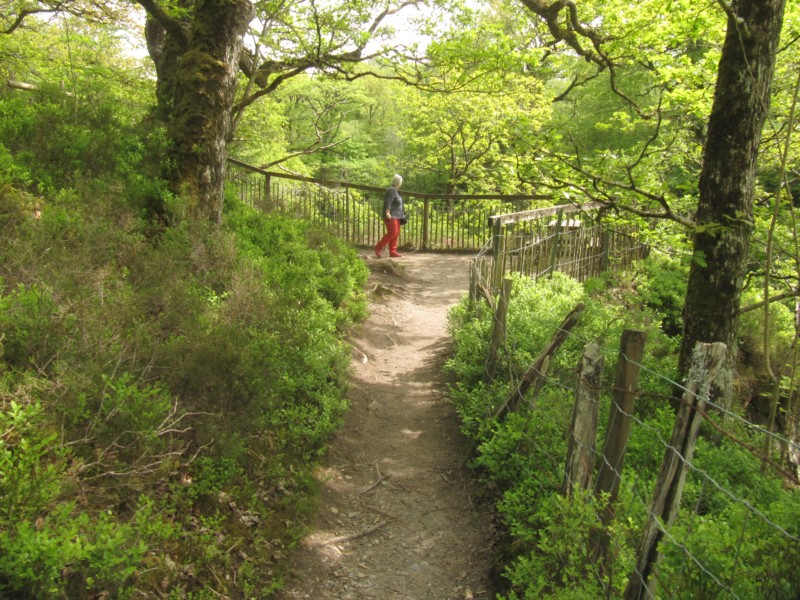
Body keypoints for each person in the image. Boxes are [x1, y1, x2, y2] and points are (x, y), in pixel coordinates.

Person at [374, 174, 405, 258]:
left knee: (396, 233)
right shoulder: (392, 190)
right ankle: (378, 247)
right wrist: (387, 213)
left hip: (397, 216)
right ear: (399, 182)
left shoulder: (396, 191)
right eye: (401, 181)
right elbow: (388, 201)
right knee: (393, 233)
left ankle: (393, 251)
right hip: (392, 216)